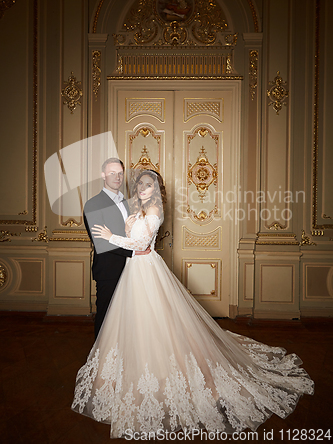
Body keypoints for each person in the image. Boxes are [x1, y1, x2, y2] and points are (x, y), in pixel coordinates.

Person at [73, 169, 314, 438]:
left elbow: (140, 245)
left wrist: (110, 237)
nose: (143, 188)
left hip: (146, 269)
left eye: (149, 184)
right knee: (134, 323)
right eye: (140, 183)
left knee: (159, 323)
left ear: (157, 189)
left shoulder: (155, 212)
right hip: (133, 272)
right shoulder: (139, 209)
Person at [83, 158, 149, 338]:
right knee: (106, 318)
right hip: (109, 270)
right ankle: (101, 361)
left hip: (132, 269)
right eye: (112, 173)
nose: (117, 177)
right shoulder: (93, 204)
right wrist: (135, 251)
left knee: (127, 318)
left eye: (120, 173)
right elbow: (102, 243)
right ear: (103, 175)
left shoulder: (129, 203)